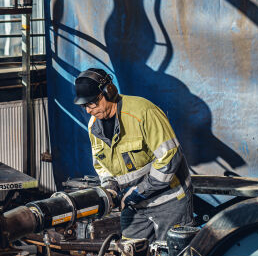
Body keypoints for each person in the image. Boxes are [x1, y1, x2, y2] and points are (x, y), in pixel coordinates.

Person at [73, 68, 193, 241]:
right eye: (85, 105)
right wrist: (110, 188)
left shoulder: (143, 112)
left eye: (93, 103)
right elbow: (101, 165)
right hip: (133, 205)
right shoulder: (94, 127)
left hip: (170, 202)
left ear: (109, 92)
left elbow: (170, 159)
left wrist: (138, 192)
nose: (89, 110)